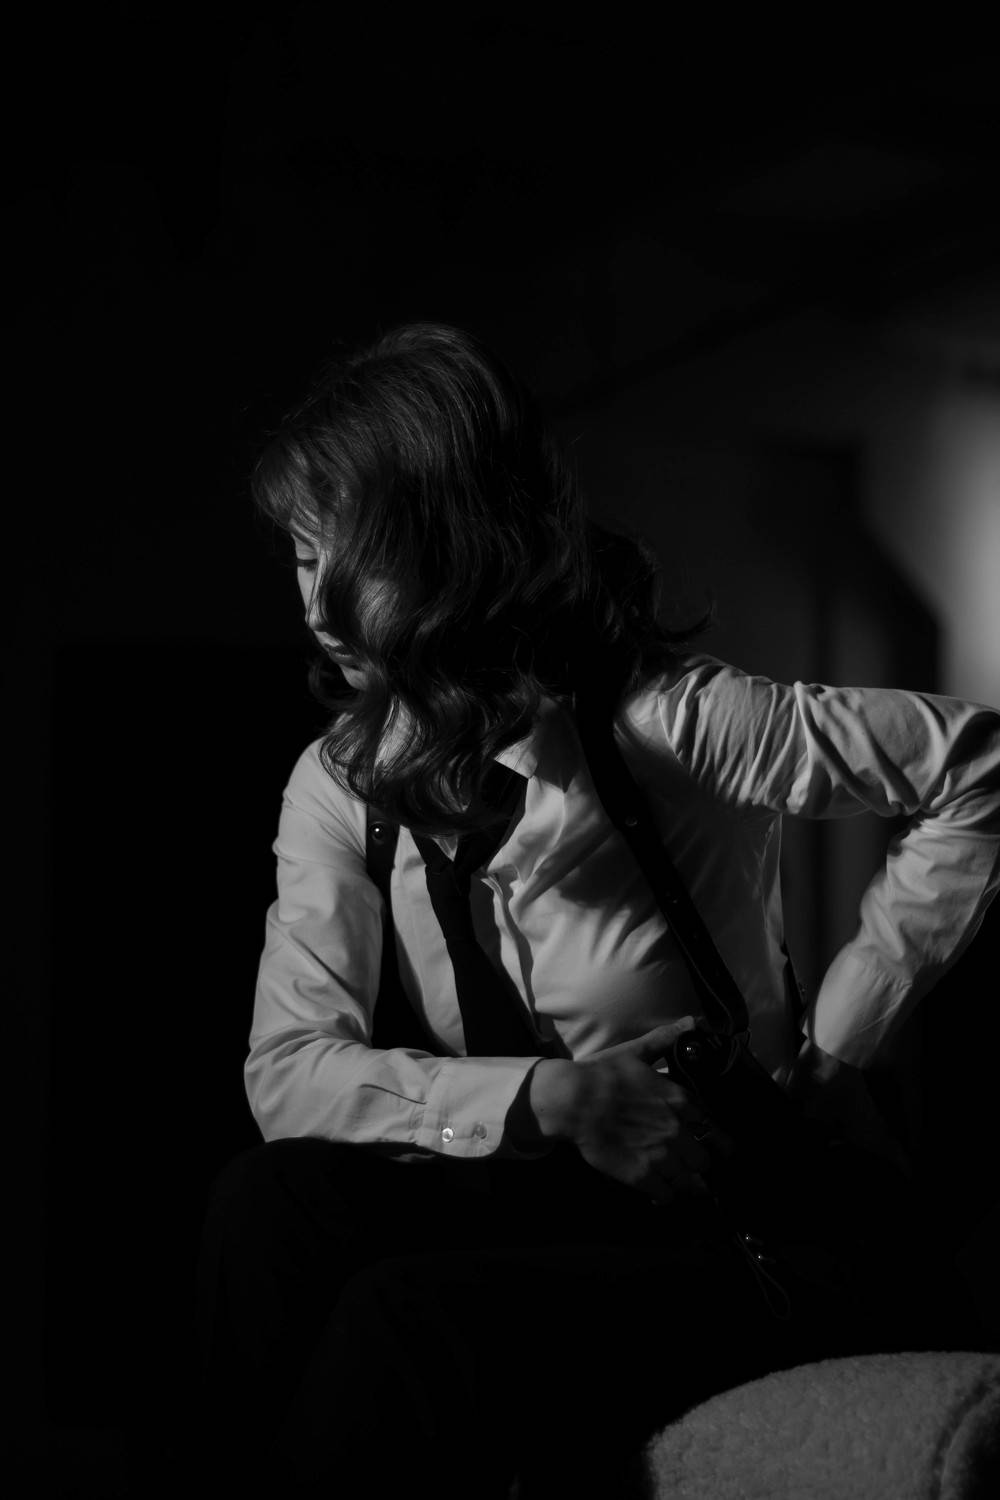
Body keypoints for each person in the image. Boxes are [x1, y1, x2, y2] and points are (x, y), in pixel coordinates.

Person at [197, 322, 1000, 1498]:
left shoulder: (666, 722)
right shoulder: (342, 782)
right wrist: (552, 1098)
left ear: (448, 544)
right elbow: (288, 1075)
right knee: (264, 1208)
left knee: (404, 1321)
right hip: (558, 1200)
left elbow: (978, 765)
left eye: (345, 557)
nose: (317, 606)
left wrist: (844, 1039)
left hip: (746, 1220)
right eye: (301, 558)